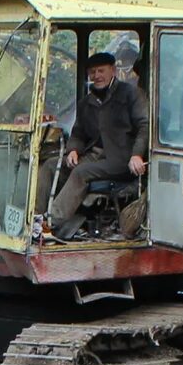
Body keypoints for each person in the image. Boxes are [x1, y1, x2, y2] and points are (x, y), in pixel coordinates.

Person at [47, 47, 147, 239]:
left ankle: (51, 223)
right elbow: (78, 132)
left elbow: (144, 126)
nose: (97, 76)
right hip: (94, 155)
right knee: (51, 166)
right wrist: (73, 150)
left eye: (101, 71)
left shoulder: (130, 94)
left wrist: (136, 154)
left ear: (113, 70)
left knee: (81, 172)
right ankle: (35, 218)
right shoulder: (87, 103)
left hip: (121, 158)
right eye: (93, 72)